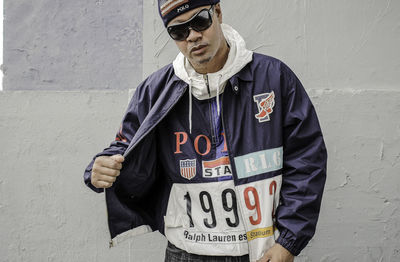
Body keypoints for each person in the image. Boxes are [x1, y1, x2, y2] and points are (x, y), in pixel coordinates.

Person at [83, 1, 327, 261]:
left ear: (218, 13)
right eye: (178, 31)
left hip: (259, 252)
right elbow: (125, 146)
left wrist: (289, 242)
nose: (192, 36)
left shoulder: (274, 77)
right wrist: (98, 168)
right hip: (184, 252)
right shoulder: (155, 91)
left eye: (199, 21)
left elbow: (307, 160)